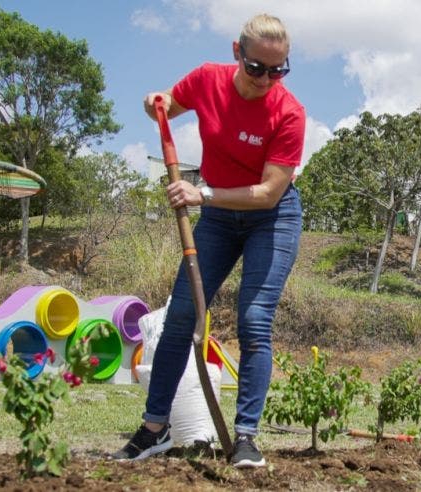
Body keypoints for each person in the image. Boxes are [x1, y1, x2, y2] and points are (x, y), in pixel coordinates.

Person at [111, 13, 305, 468]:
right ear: (237, 53)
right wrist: (154, 102)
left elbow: (269, 192)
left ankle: (245, 438)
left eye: (278, 70)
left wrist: (204, 194)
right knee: (181, 317)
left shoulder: (289, 112)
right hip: (218, 219)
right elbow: (165, 106)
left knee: (255, 320)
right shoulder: (206, 80)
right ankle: (154, 428)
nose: (266, 79)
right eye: (257, 68)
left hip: (271, 218)